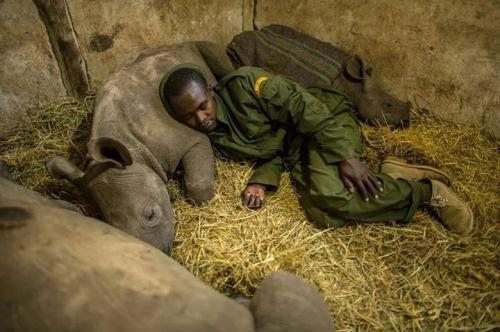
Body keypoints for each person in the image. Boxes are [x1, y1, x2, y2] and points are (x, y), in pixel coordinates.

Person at [159, 64, 473, 235]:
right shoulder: (213, 139)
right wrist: (261, 181)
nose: (200, 118)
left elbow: (304, 106)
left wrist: (345, 156)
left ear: (211, 92)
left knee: (331, 194)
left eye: (203, 106)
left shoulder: (246, 85)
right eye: (188, 115)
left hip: (327, 123)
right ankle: (391, 174)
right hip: (299, 149)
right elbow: (273, 152)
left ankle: (426, 192)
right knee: (325, 216)